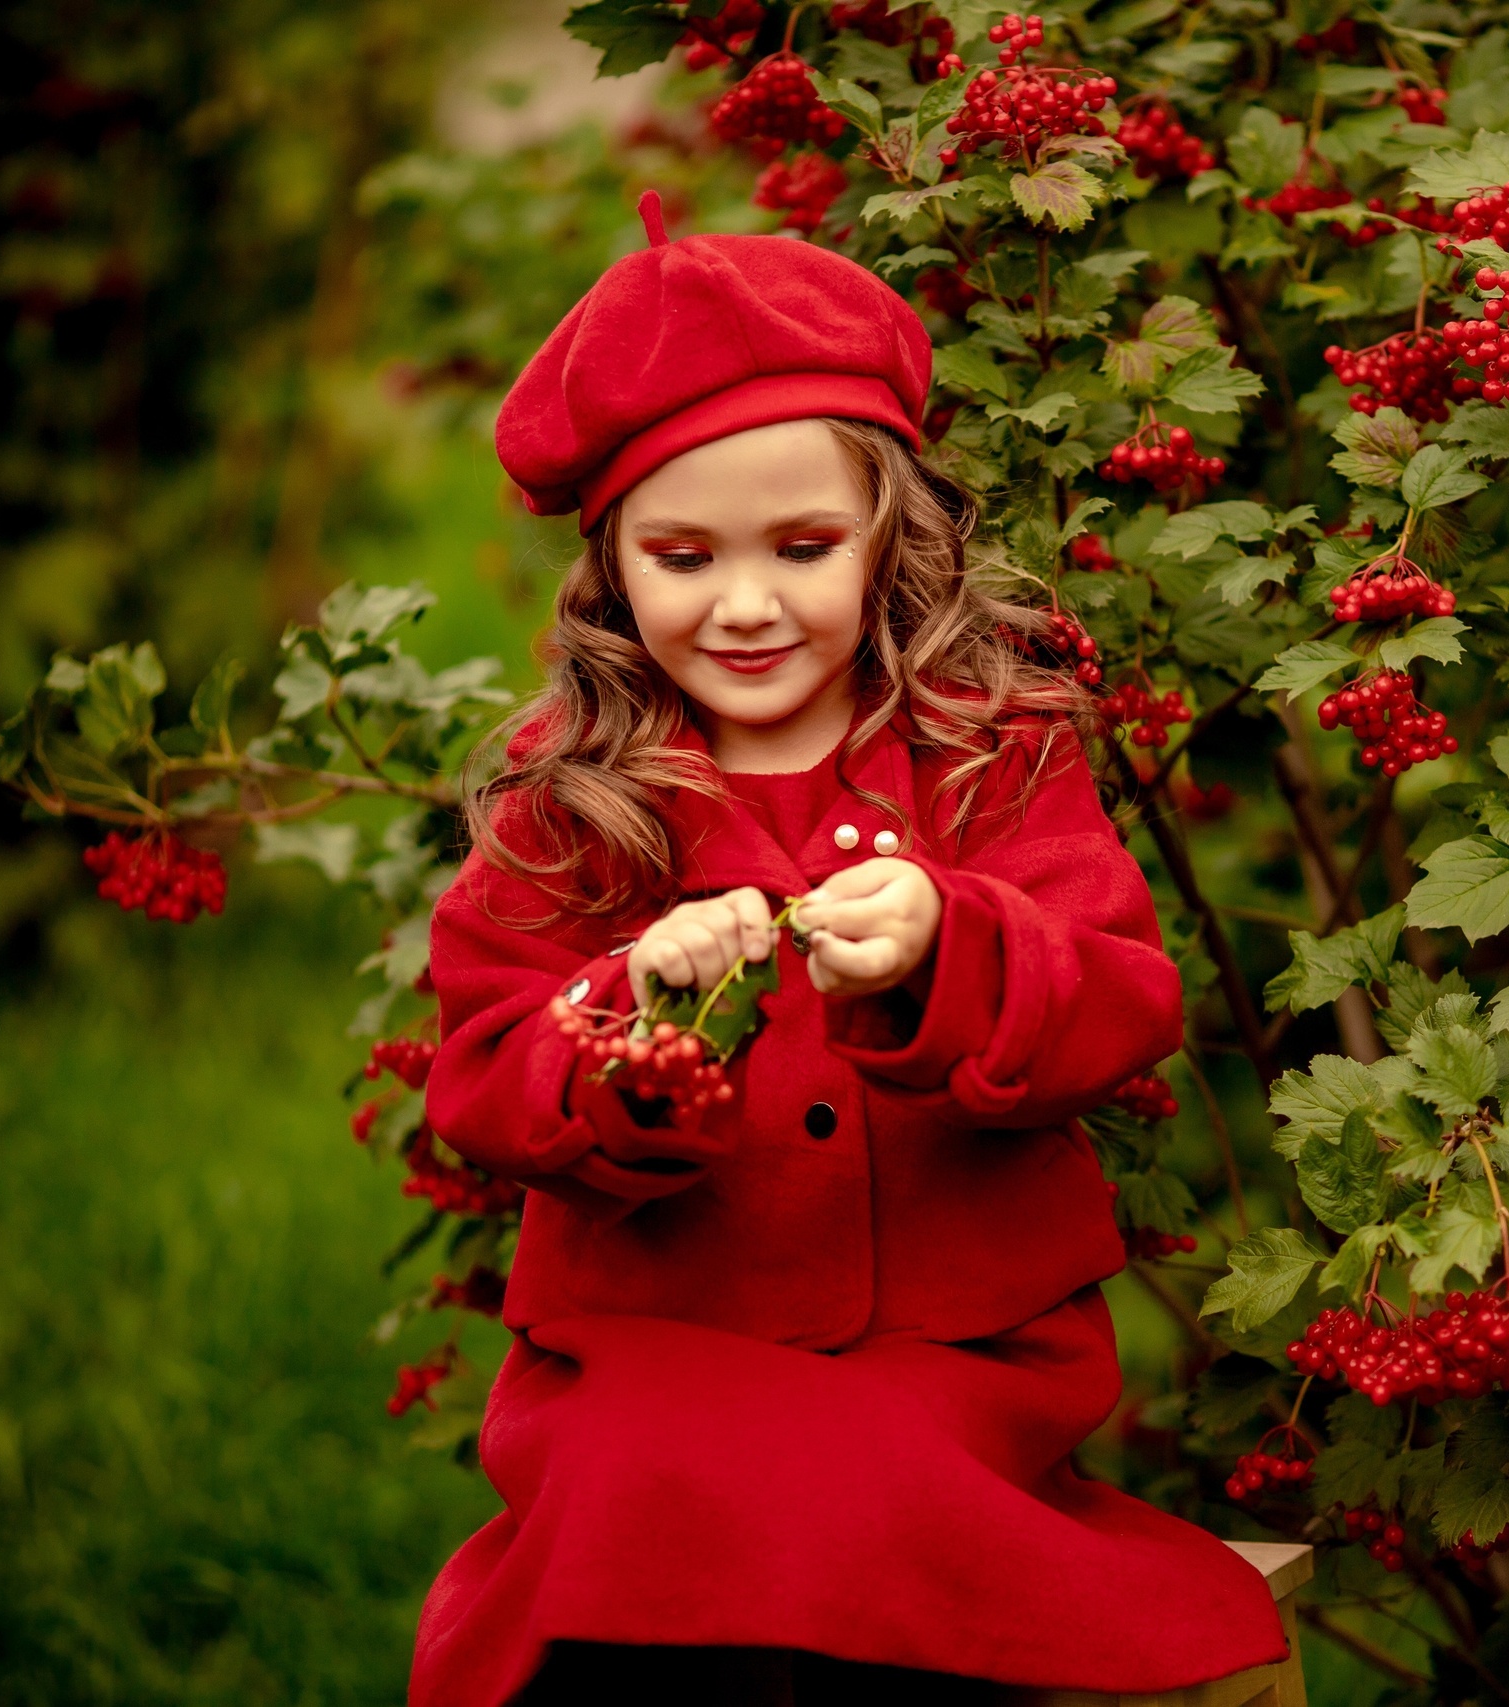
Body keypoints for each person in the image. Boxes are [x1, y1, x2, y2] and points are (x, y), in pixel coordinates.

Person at [407, 194, 1285, 1707]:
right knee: (639, 1500)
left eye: (804, 548)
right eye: (683, 559)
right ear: (613, 565)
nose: (745, 607)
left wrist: (956, 943)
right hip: (652, 1338)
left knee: (877, 1499)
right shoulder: (570, 796)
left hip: (956, 1349)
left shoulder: (985, 750)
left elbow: (1123, 997)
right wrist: (630, 1016)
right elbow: (483, 1076)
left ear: (893, 534)